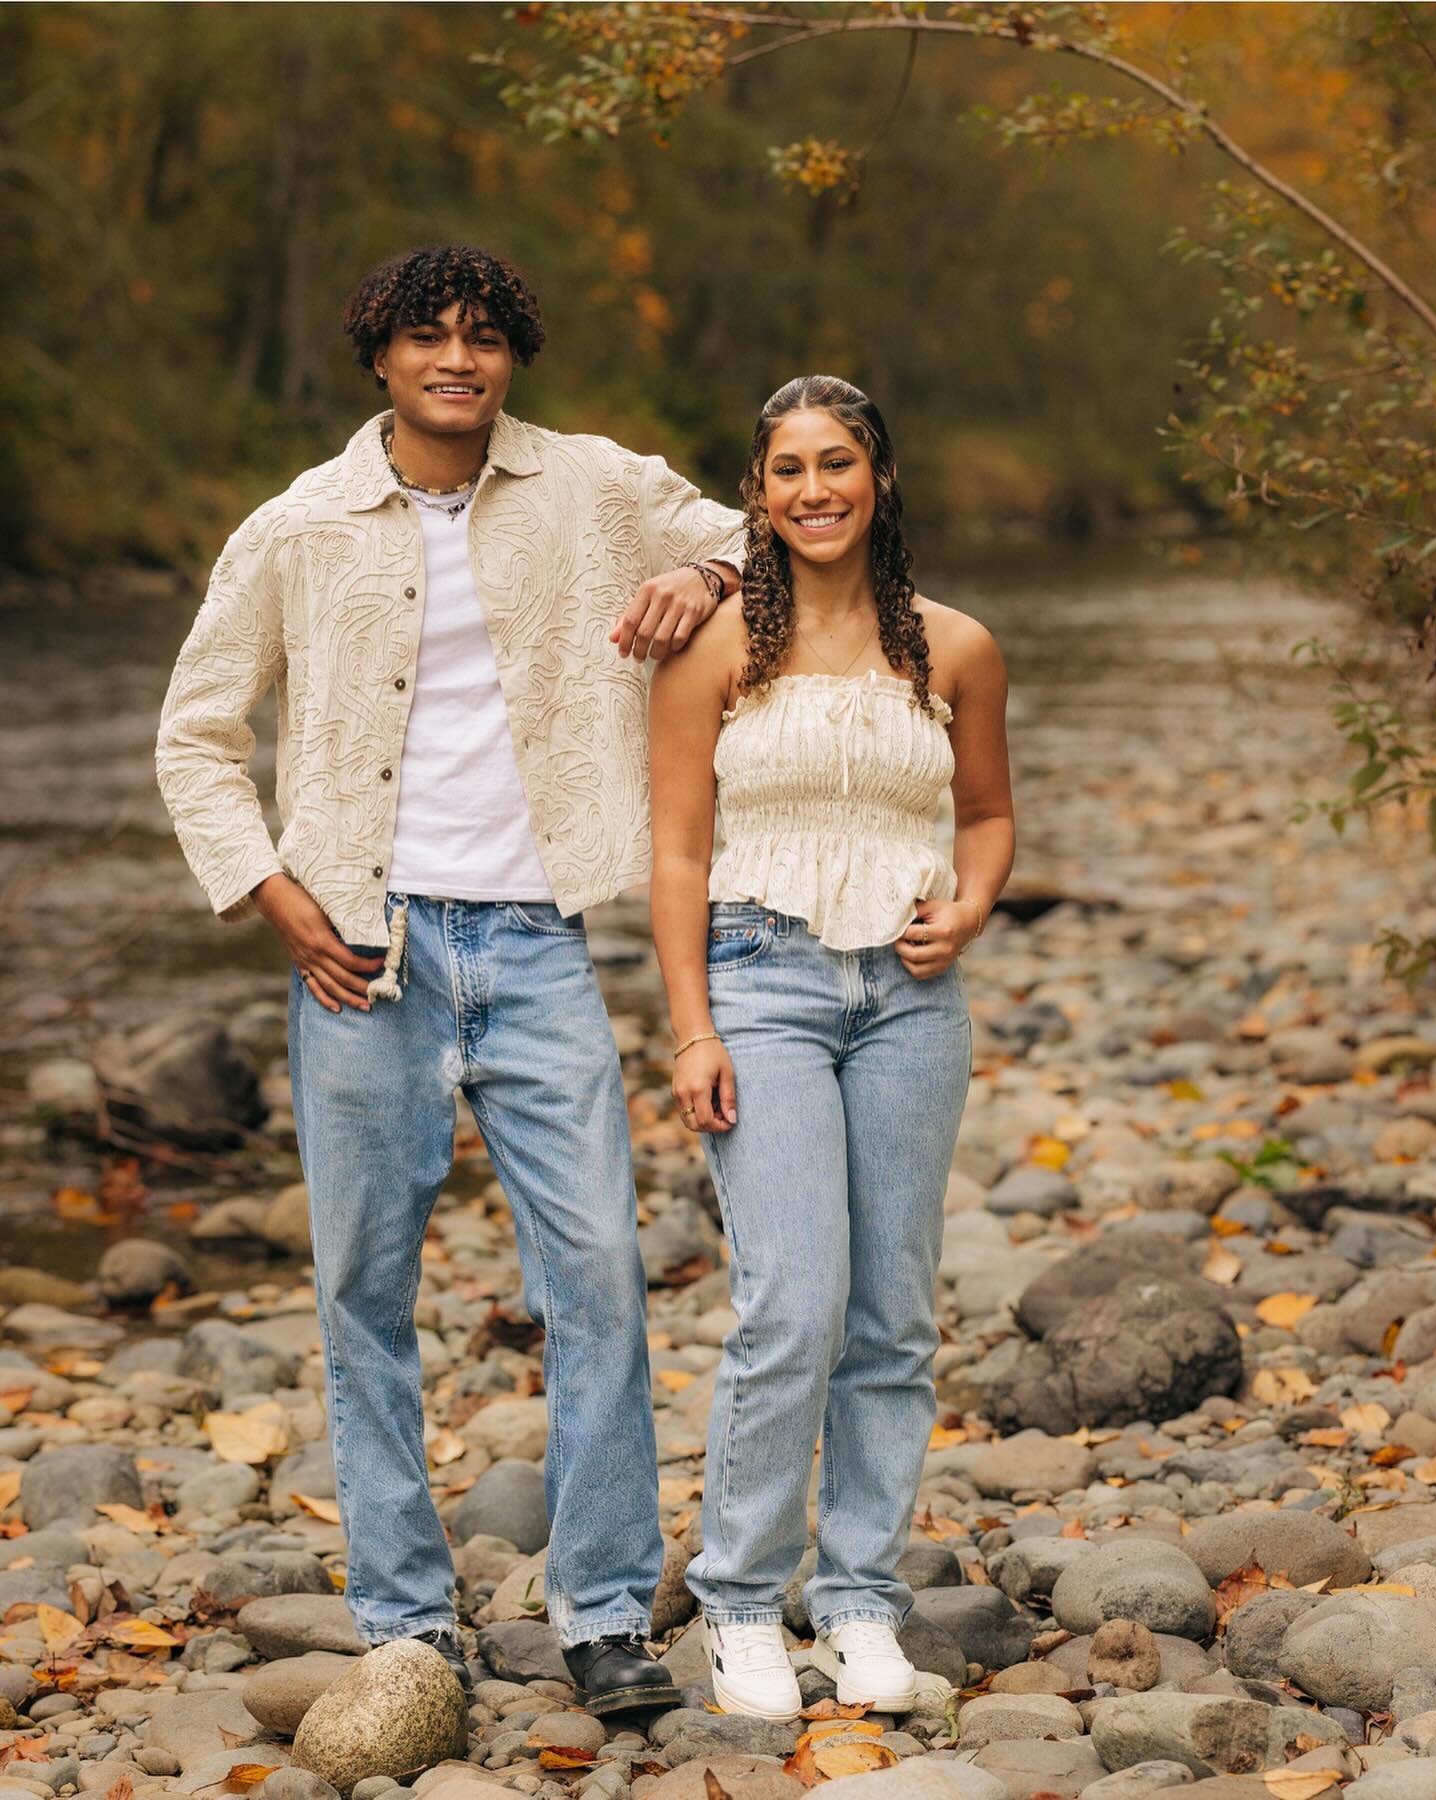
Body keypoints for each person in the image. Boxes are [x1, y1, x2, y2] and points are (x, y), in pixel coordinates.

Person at [156, 243, 745, 1714]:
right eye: (428, 337)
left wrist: (694, 569)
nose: (457, 360)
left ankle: (605, 1612)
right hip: (363, 950)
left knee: (600, 1276)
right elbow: (195, 736)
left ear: (512, 356)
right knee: (364, 1289)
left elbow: (758, 533)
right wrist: (274, 896)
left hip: (538, 939)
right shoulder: (298, 527)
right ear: (380, 357)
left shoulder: (596, 486)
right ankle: (408, 1620)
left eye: (483, 337)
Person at [648, 374, 1014, 1721]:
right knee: (790, 1303)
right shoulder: (712, 655)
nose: (814, 488)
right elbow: (678, 851)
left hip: (912, 1004)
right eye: (788, 467)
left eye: (838, 462)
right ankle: (741, 1601)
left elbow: (986, 817)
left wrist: (969, 907)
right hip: (761, 983)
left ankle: (859, 1600)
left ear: (881, 477)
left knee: (892, 1318)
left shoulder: (957, 649)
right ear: (758, 492)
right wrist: (689, 1026)